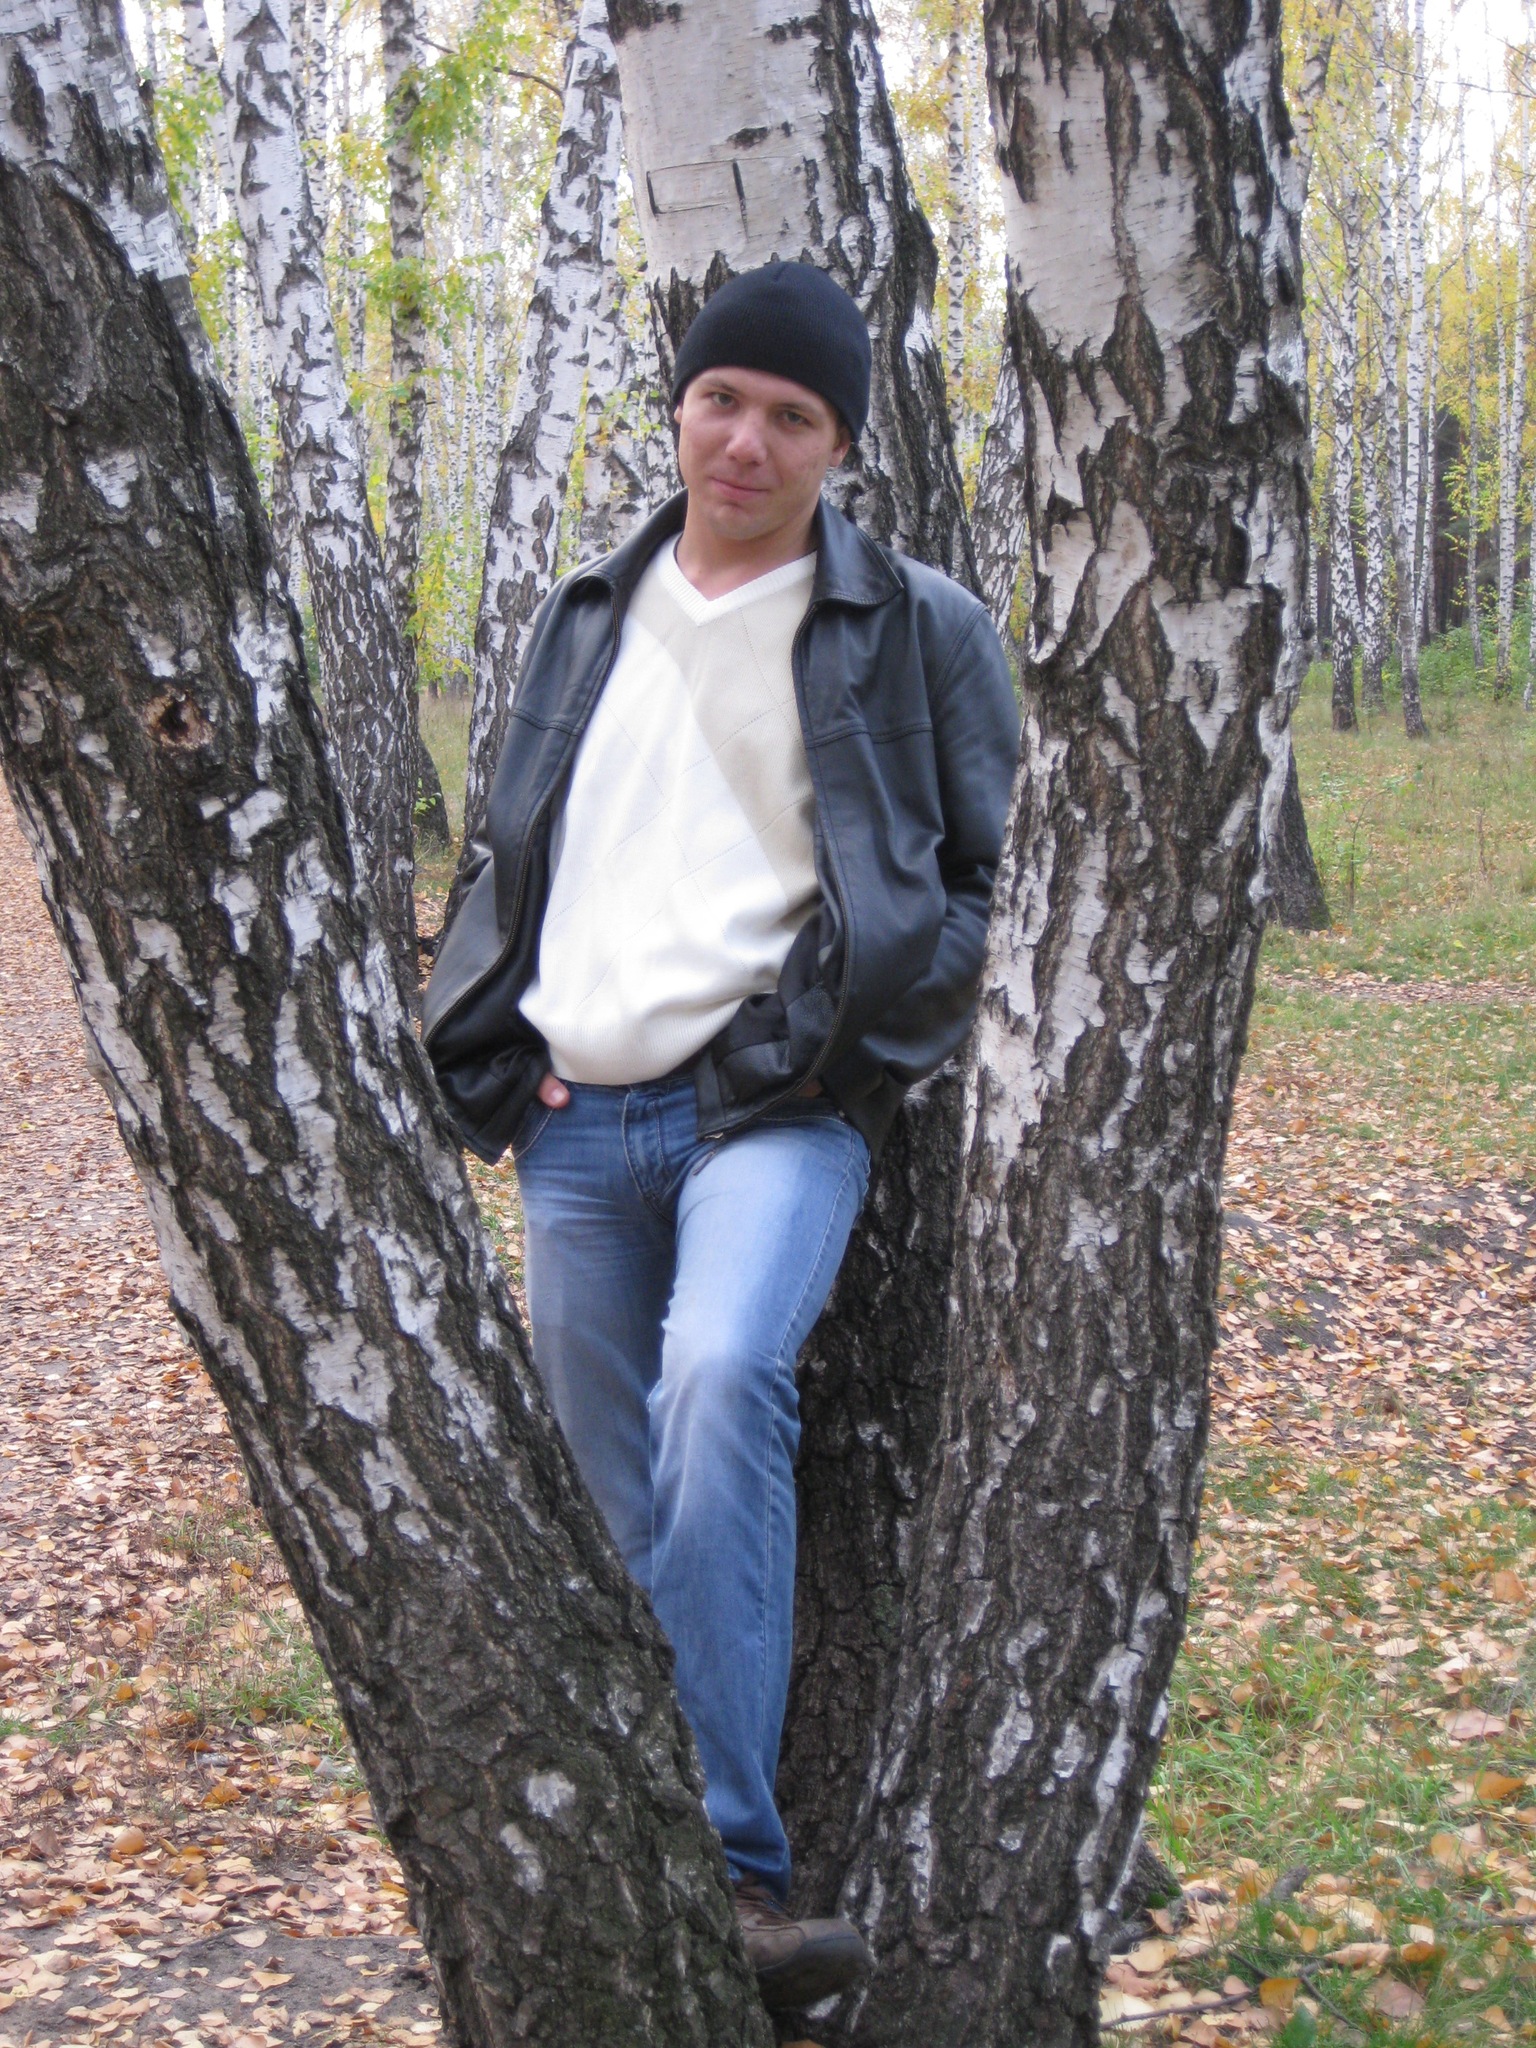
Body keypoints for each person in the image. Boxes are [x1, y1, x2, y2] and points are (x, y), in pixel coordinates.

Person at [423, 260, 1020, 2010]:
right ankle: (652, 1859)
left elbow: (987, 881)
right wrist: (503, 1029)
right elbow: (519, 840)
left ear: (841, 444)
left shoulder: (915, 626)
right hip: (574, 1127)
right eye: (721, 400)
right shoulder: (586, 608)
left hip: (773, 1112)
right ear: (679, 406)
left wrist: (833, 1051)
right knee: (611, 1508)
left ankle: (742, 1878)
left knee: (721, 1377)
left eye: (792, 415)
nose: (746, 441)